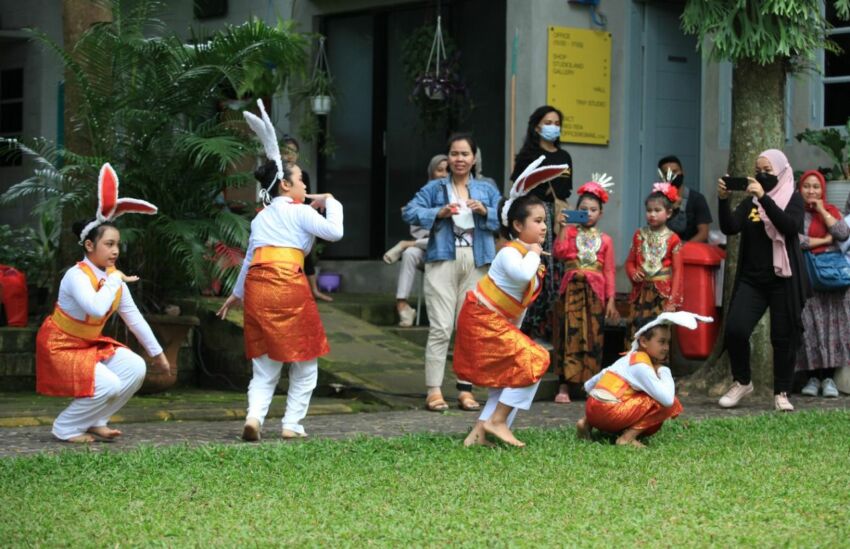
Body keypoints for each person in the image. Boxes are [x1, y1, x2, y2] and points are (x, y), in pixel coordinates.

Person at [217, 100, 344, 441]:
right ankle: (291, 424)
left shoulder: (262, 216)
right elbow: (335, 232)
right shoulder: (299, 211)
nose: (305, 186)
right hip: (287, 285)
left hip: (258, 287)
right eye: (302, 181)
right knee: (305, 361)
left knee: (264, 361)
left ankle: (255, 418)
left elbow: (249, 259)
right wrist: (330, 200)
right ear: (286, 186)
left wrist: (235, 294)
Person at [35, 163, 169, 443]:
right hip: (61, 345)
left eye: (117, 244)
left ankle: (97, 420)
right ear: (89, 246)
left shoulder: (113, 278)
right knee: (108, 384)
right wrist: (114, 279)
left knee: (135, 367)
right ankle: (66, 427)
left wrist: (157, 354)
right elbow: (95, 307)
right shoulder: (76, 276)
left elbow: (134, 318)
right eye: (109, 244)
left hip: (88, 346)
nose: (116, 250)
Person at [402, 133, 502, 412]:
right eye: (455, 154)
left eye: (465, 154)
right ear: (448, 157)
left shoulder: (486, 188)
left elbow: (507, 216)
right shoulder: (435, 188)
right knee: (441, 327)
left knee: (468, 328)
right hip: (442, 258)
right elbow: (409, 212)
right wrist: (439, 213)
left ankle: (465, 390)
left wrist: (485, 210)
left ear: (474, 158)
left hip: (478, 260)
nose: (459, 159)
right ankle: (433, 391)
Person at [453, 194, 550, 447]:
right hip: (480, 319)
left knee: (509, 374)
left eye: (544, 221)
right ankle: (497, 422)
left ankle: (478, 434)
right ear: (518, 226)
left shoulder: (527, 254)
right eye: (537, 221)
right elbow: (521, 276)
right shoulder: (511, 252)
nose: (544, 227)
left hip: (494, 322)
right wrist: (535, 253)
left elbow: (520, 305)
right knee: (537, 358)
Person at [716, 149, 809, 412]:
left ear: (781, 172)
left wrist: (764, 198)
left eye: (768, 171)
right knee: (735, 329)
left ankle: (782, 392)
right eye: (758, 170)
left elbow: (789, 226)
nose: (762, 175)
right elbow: (730, 227)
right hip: (752, 280)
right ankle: (742, 382)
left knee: (783, 337)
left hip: (783, 280)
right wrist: (723, 200)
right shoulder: (750, 202)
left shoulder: (793, 198)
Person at [577, 312, 709, 448]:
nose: (666, 348)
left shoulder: (629, 357)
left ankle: (585, 423)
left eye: (668, 342)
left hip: (591, 410)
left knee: (621, 391)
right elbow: (668, 400)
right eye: (661, 342)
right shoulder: (641, 366)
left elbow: (600, 376)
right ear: (644, 341)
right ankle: (627, 439)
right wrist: (664, 370)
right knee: (665, 402)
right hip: (609, 414)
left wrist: (587, 387)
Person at [552, 174, 619, 403]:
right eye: (583, 208)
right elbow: (559, 254)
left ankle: (589, 384)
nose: (588, 213)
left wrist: (611, 300)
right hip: (571, 291)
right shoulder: (569, 233)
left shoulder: (606, 240)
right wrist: (561, 227)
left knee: (593, 337)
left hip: (595, 295)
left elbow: (609, 271)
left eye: (593, 209)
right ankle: (564, 386)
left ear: (601, 213)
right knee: (568, 335)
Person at [511, 105, 573, 344]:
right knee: (536, 274)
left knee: (556, 276)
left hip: (559, 219)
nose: (553, 127)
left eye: (557, 122)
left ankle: (544, 332)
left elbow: (566, 190)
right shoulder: (529, 155)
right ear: (537, 126)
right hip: (536, 215)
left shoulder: (564, 156)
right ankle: (526, 330)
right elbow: (519, 188)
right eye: (548, 122)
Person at [795, 170, 850, 398]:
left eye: (816, 187)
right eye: (807, 186)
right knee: (811, 328)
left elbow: (843, 233)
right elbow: (797, 240)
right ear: (799, 189)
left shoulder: (831, 210)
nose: (811, 191)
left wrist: (820, 209)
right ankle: (812, 378)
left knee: (833, 330)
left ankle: (828, 378)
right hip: (809, 279)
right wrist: (826, 240)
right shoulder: (795, 213)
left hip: (834, 280)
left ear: (823, 190)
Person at [383, 154, 448, 326]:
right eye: (439, 170)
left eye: (447, 171)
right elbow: (415, 227)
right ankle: (402, 306)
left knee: (435, 241)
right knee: (411, 254)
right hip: (426, 246)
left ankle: (405, 244)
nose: (443, 174)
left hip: (450, 251)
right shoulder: (424, 195)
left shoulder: (458, 194)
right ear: (431, 173)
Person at [625, 183, 684, 341]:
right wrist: (633, 272)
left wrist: (672, 301)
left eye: (657, 210)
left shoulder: (673, 238)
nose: (652, 214)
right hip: (641, 293)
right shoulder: (639, 235)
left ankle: (658, 366)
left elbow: (678, 271)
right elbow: (629, 262)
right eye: (649, 210)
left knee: (658, 334)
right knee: (637, 332)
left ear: (669, 213)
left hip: (661, 295)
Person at [283, 135, 333, 303]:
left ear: (297, 154)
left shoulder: (302, 174)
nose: (290, 155)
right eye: (286, 151)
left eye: (293, 152)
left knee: (307, 253)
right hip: (282, 215)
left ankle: (314, 290)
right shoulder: (277, 173)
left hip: (300, 214)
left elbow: (307, 196)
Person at [657, 155, 713, 242]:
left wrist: (683, 249)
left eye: (675, 171)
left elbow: (703, 233)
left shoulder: (697, 199)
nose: (672, 175)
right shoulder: (657, 199)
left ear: (682, 172)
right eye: (667, 173)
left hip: (692, 251)